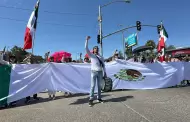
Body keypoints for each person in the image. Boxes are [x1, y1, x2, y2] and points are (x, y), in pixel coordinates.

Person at [85, 36, 107, 107]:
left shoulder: (101, 57)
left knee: (99, 86)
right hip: (93, 72)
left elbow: (103, 65)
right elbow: (86, 48)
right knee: (93, 86)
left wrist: (105, 73)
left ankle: (99, 98)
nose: (96, 49)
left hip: (100, 72)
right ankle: (91, 99)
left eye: (97, 48)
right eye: (95, 48)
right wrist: (87, 40)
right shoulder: (91, 55)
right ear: (93, 50)